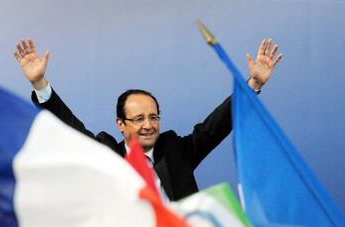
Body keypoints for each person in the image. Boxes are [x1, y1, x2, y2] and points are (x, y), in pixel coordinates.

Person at [14, 38, 282, 201]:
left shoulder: (175, 150)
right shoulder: (107, 154)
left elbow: (216, 126)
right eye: (139, 118)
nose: (148, 125)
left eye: (153, 117)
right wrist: (40, 84)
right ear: (121, 124)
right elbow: (69, 125)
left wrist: (253, 84)